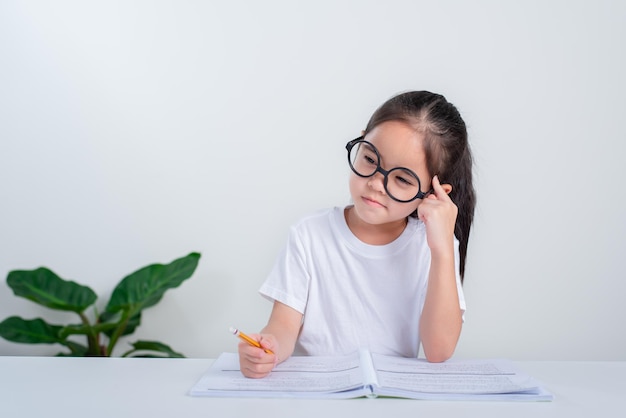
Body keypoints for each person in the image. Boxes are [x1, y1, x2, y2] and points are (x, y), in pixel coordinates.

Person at [238, 90, 476, 378]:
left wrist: (441, 249)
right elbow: (283, 327)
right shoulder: (309, 235)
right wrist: (270, 346)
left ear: (435, 193)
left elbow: (439, 351)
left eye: (401, 178)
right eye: (370, 159)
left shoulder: (433, 248)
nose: (376, 183)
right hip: (317, 394)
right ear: (362, 141)